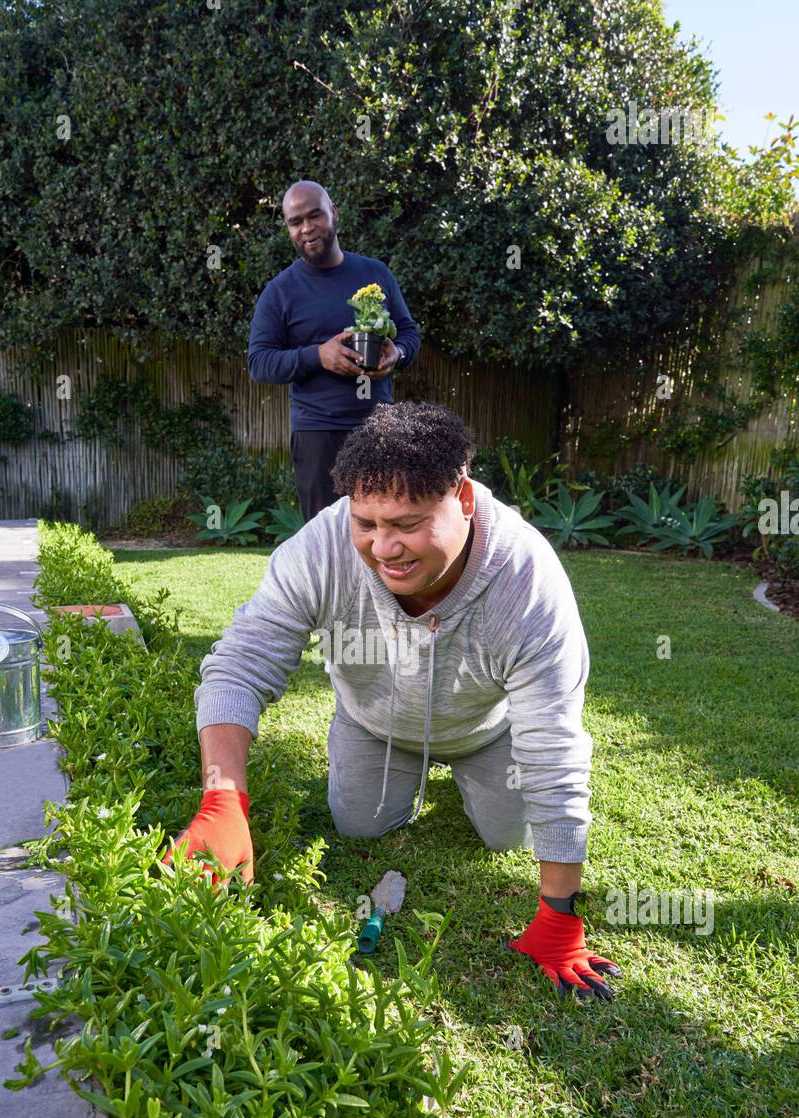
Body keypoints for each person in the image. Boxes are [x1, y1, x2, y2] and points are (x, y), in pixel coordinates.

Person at [164, 401, 621, 1002]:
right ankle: (397, 766)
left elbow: (553, 748)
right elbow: (241, 661)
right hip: (374, 722)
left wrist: (560, 915)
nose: (384, 548)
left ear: (460, 500)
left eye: (406, 525)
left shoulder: (526, 581)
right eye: (367, 523)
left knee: (507, 839)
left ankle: (470, 783)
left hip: (489, 733)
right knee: (357, 827)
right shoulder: (322, 546)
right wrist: (222, 798)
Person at [247, 179, 421, 521]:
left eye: (315, 216)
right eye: (295, 222)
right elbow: (259, 362)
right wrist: (318, 355)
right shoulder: (280, 291)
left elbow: (410, 334)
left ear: (334, 214)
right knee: (325, 541)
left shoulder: (375, 273)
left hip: (378, 426)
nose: (307, 228)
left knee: (384, 532)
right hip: (317, 433)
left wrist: (396, 354)